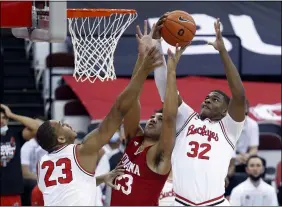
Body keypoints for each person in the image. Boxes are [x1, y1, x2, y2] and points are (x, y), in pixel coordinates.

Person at [36, 43, 163, 206]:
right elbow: (119, 110)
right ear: (60, 139)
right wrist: (143, 70)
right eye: (62, 125)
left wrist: (102, 178)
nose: (67, 124)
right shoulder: (83, 150)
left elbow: (67, 187)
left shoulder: (43, 163)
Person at [154, 16, 246, 206]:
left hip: (216, 203)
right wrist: (157, 45)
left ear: (225, 111)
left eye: (215, 99)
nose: (207, 99)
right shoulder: (187, 118)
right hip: (180, 202)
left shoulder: (229, 127)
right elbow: (165, 90)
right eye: (207, 97)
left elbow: (239, 96)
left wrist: (222, 52)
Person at [111, 20, 183, 206]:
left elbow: (169, 117)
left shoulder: (161, 154)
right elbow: (132, 99)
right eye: (152, 117)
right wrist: (141, 57)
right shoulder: (134, 139)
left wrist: (171, 71)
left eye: (158, 119)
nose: (153, 119)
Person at [0, 106, 23, 206]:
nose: (1, 121)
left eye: (4, 117)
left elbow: (36, 127)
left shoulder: (15, 135)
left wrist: (12, 115)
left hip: (11, 190)